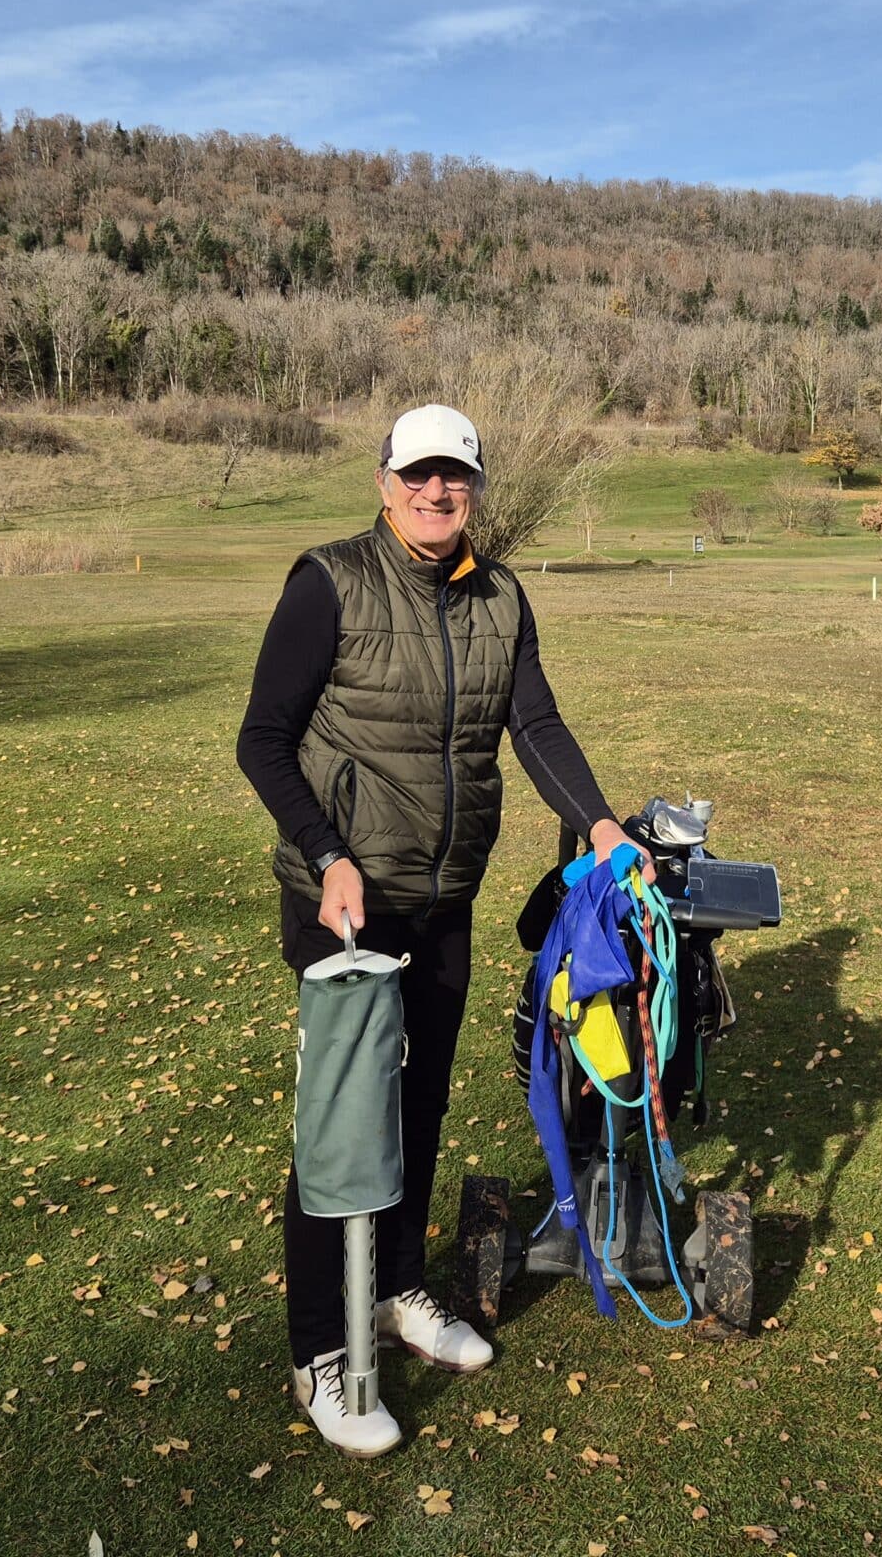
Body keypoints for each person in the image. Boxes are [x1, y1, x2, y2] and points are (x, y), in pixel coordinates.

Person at [235, 402, 628, 1458]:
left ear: (475, 488)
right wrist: (328, 855)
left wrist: (595, 822)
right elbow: (262, 741)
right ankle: (321, 1350)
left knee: (417, 1104)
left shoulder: (498, 596)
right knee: (341, 1127)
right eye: (417, 476)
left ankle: (400, 1289)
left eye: (453, 477)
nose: (434, 493)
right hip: (344, 905)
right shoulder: (328, 582)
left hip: (443, 896)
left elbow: (533, 724)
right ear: (383, 481)